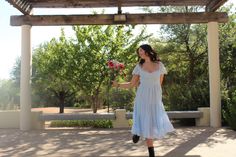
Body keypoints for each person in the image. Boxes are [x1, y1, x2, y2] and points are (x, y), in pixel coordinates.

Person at [112, 44, 175, 157]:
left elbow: (160, 83)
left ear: (148, 51)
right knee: (145, 121)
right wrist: (118, 85)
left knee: (151, 124)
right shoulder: (139, 67)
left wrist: (157, 96)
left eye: (141, 50)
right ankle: (141, 137)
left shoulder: (159, 65)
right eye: (139, 51)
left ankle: (139, 133)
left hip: (155, 98)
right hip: (142, 97)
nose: (139, 53)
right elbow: (132, 84)